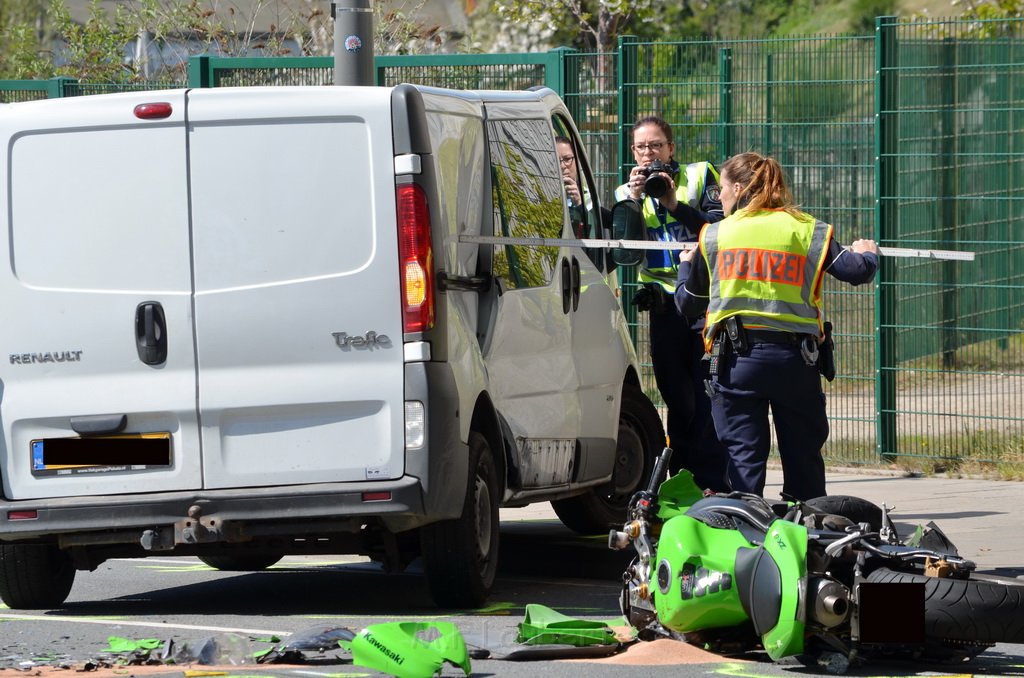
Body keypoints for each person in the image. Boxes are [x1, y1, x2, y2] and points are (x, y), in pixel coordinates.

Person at [675, 151, 880, 501]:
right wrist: (869, 252)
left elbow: (687, 303)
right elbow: (856, 271)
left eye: (721, 188)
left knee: (743, 463)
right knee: (804, 462)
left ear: (739, 188)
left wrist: (685, 265)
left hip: (737, 365)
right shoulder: (807, 230)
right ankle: (809, 539)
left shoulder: (715, 236)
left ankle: (746, 539)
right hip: (796, 364)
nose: (718, 196)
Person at [613, 116, 731, 493]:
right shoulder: (624, 193)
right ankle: (681, 479)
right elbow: (623, 250)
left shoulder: (699, 176)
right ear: (633, 152)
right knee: (675, 397)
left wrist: (672, 202)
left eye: (656, 145)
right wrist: (633, 200)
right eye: (641, 147)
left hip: (701, 303)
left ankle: (712, 480)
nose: (649, 154)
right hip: (663, 309)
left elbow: (717, 228)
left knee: (706, 393)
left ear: (671, 148)